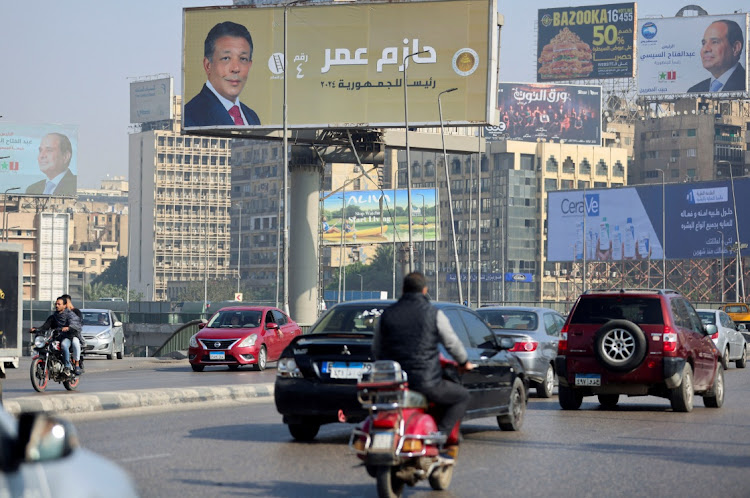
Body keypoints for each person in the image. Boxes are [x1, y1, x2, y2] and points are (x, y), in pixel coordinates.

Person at [373, 272, 476, 461]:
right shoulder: (434, 314)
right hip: (426, 383)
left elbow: (376, 349)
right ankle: (441, 438)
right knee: (462, 396)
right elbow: (452, 343)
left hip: (393, 385)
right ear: (425, 290)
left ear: (403, 290)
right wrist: (464, 362)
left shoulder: (387, 315)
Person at [184, 21, 261, 127]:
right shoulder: (190, 116)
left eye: (243, 59)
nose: (236, 68)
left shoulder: (252, 117)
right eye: (226, 58)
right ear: (208, 65)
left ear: (249, 65)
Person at [687, 19, 746, 93]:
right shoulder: (694, 91)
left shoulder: (746, 85)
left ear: (735, 48)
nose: (705, 49)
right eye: (704, 43)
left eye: (714, 42)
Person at [30, 297, 82, 376]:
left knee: (64, 345)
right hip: (58, 337)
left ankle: (67, 366)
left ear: (64, 306)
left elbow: (76, 324)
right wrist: (36, 329)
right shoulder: (54, 317)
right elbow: (45, 326)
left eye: (59, 304)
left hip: (69, 336)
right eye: (56, 304)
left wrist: (68, 328)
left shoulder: (70, 315)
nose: (57, 306)